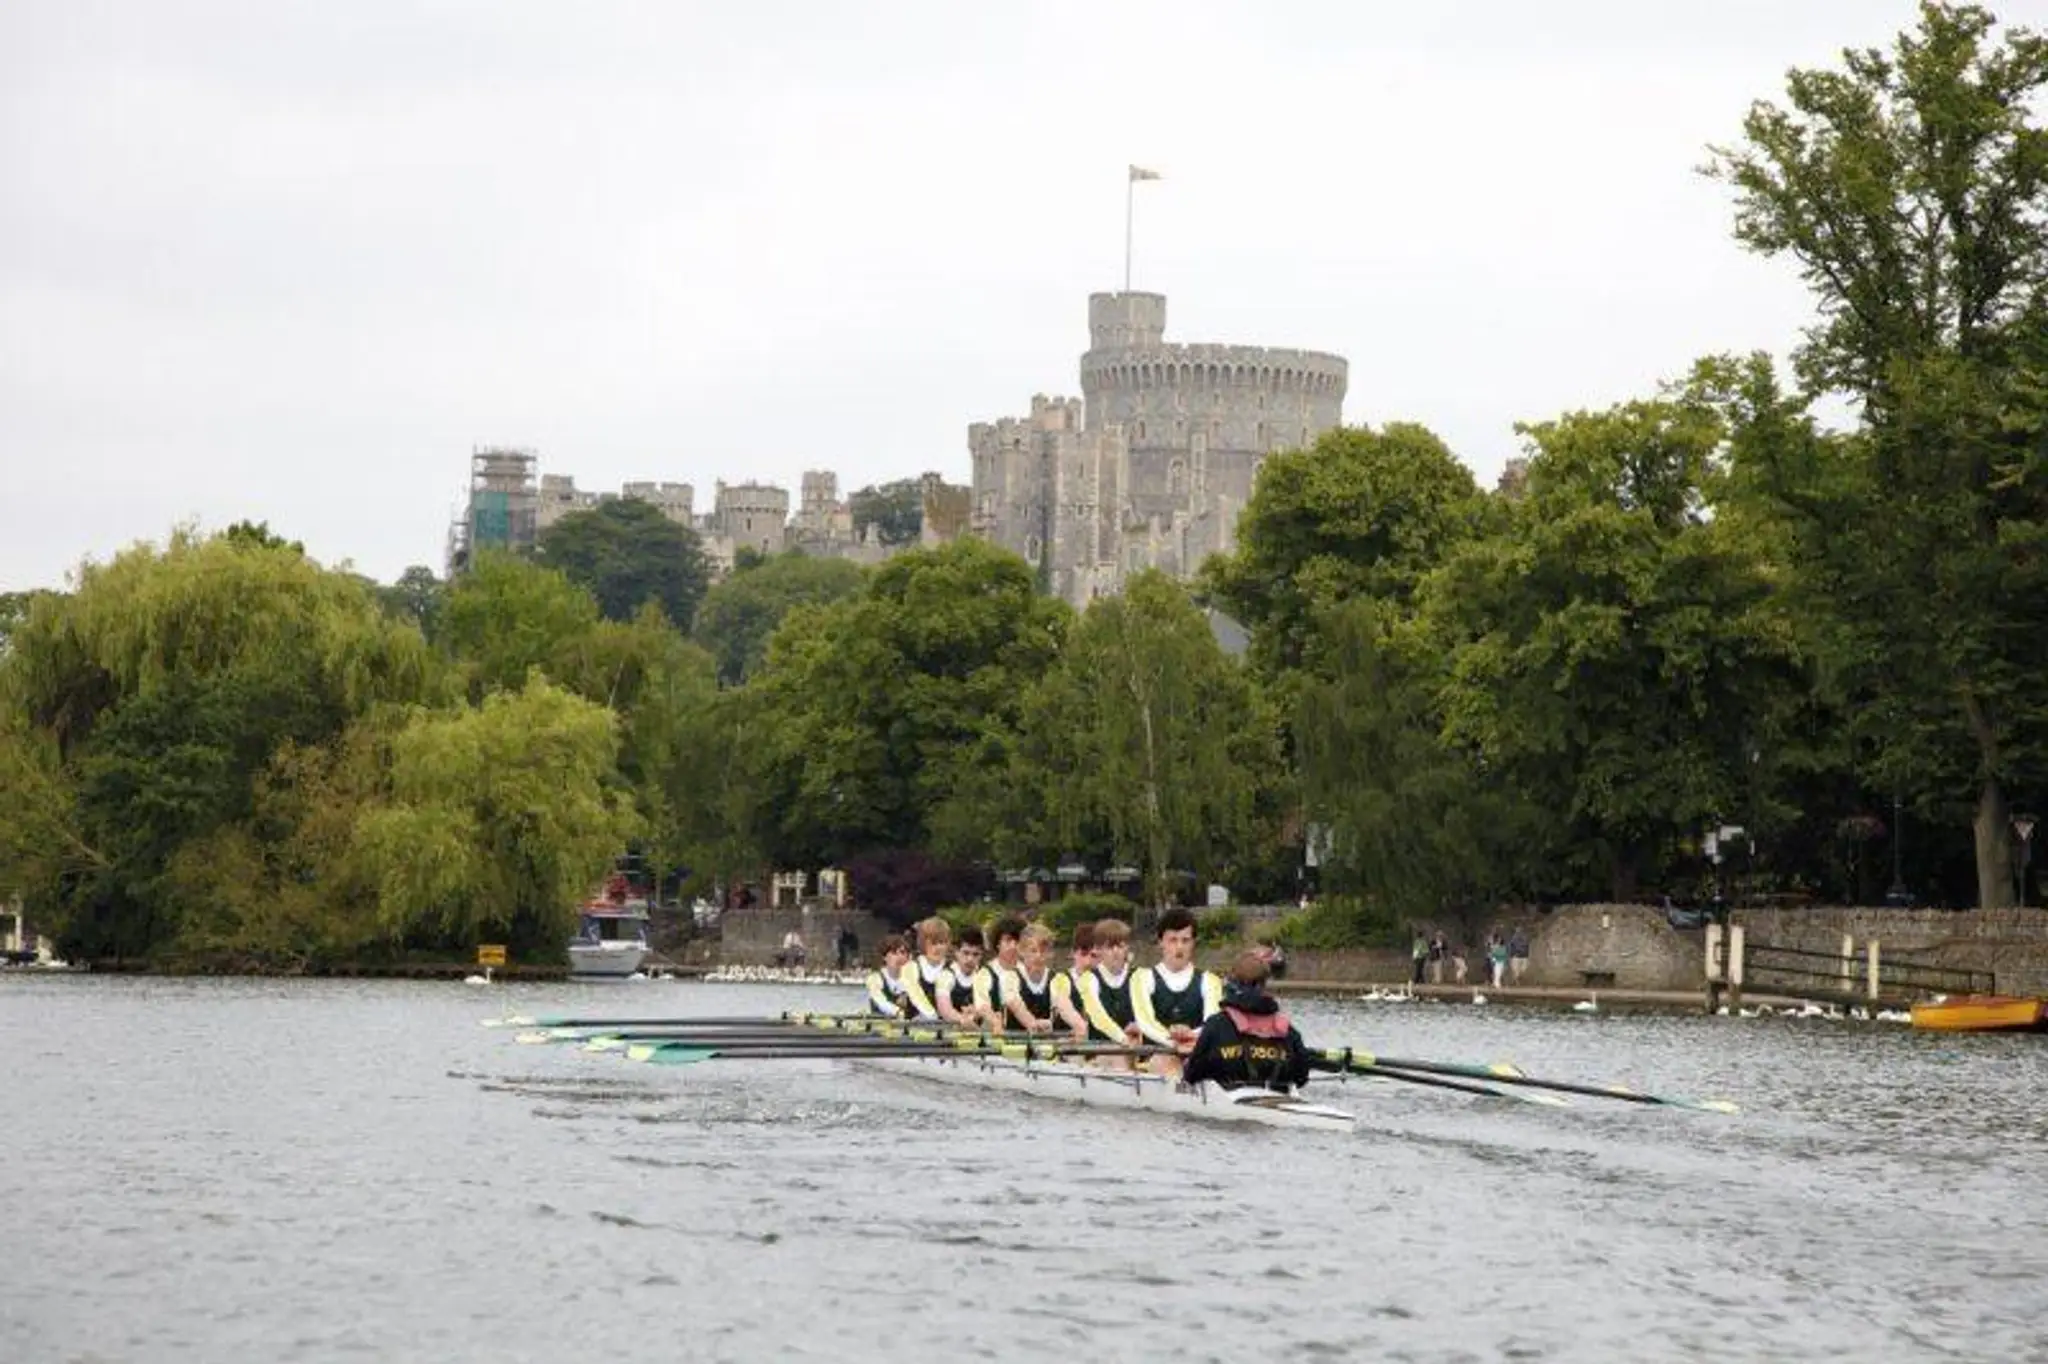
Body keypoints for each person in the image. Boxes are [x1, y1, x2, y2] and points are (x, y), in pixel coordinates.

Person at [1179, 951, 1314, 1093]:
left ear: (1234, 983)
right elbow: (1301, 1077)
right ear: (1264, 985)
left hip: (1225, 1105)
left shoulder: (1216, 1025)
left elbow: (1190, 1075)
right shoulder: (1287, 1030)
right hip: (1279, 1100)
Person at [1126, 907, 1224, 1076]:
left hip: (1194, 1053)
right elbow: (1146, 1023)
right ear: (1160, 942)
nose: (1179, 947)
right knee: (1169, 1063)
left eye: (1185, 940)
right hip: (1155, 1057)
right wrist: (1175, 1043)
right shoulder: (1142, 978)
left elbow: (1211, 1023)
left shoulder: (1211, 981)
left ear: (1194, 943)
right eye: (1173, 940)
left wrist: (1189, 1036)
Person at [1076, 918, 1139, 1060]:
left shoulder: (1140, 976)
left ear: (1127, 948)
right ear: (1098, 950)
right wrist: (1122, 1038)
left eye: (1120, 946)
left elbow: (1149, 1014)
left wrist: (1140, 1027)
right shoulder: (1088, 979)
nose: (1116, 952)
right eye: (1110, 947)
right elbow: (1098, 1018)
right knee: (1117, 1059)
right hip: (1099, 1053)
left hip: (1137, 1051)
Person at [1003, 922, 1061, 1033]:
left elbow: (1059, 1007)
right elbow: (1015, 1004)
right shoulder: (1010, 977)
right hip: (1016, 1042)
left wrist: (1051, 1022)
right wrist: (1031, 1023)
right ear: (1021, 951)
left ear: (1050, 953)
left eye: (1043, 951)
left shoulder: (1056, 979)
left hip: (1046, 1041)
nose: (1038, 956)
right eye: (1033, 951)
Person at [973, 916, 1026, 1029]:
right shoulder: (984, 974)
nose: (1013, 946)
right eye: (1008, 940)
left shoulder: (1027, 971)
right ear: (997, 943)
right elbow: (982, 1005)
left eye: (1017, 941)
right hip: (994, 1035)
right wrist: (994, 1020)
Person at [897, 917, 953, 1021]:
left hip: (948, 1026)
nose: (938, 948)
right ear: (923, 943)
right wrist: (933, 1017)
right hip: (915, 1025)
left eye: (942, 943)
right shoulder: (910, 968)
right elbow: (916, 997)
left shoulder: (953, 968)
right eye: (933, 943)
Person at [1050, 922, 1098, 1041]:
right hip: (1066, 1048)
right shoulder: (1060, 980)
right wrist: (1081, 1026)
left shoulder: (1105, 982)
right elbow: (1065, 1008)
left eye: (1093, 956)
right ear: (1073, 953)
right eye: (1083, 954)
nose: (1087, 962)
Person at [935, 925, 986, 1027]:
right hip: (949, 1035)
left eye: (976, 954)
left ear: (981, 955)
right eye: (966, 953)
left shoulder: (984, 977)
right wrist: (963, 1019)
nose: (970, 959)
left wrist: (976, 1013)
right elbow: (945, 1010)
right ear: (956, 952)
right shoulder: (945, 976)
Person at [865, 935, 913, 1017]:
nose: (899, 957)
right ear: (884, 957)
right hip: (880, 1025)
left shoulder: (913, 978)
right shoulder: (874, 979)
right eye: (894, 953)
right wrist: (899, 1013)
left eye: (902, 953)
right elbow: (881, 1002)